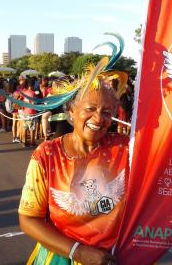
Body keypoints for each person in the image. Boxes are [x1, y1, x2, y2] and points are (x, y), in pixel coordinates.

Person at [18, 56, 129, 265]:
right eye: (90, 109)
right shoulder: (47, 155)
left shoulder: (126, 148)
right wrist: (78, 252)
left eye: (106, 112)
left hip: (114, 257)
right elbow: (28, 219)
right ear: (71, 111)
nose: (98, 119)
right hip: (61, 257)